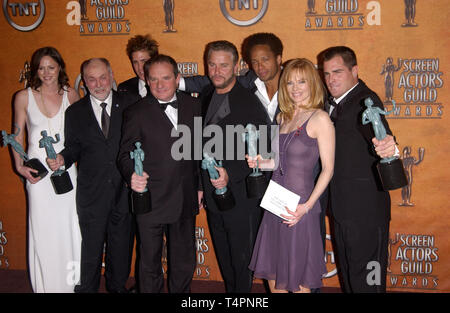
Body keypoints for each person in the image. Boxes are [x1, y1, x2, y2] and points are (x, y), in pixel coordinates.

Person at [247, 58, 335, 293]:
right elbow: (277, 161)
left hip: (299, 208)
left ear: (312, 84)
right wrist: (259, 162)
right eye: (290, 83)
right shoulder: (282, 118)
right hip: (275, 205)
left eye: (302, 82)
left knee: (299, 282)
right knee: (274, 278)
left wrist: (306, 207)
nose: (295, 88)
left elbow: (328, 170)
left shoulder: (320, 119)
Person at [47, 58, 132, 293]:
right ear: (84, 81)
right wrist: (63, 157)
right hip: (92, 194)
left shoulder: (130, 103)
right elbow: (73, 146)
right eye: (91, 79)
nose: (98, 84)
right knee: (91, 252)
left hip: (124, 192)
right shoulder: (75, 112)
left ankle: (117, 288)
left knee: (121, 249)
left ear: (112, 75)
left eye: (103, 77)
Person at [118, 54, 202, 293]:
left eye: (166, 78)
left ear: (177, 78)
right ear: (146, 81)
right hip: (150, 198)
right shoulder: (136, 112)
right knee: (149, 261)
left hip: (185, 196)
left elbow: (198, 152)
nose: (160, 85)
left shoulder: (194, 106)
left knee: (184, 260)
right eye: (153, 80)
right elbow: (124, 155)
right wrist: (130, 175)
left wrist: (200, 187)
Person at [320, 46, 398, 293]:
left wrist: (390, 149)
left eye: (338, 72)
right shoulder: (332, 103)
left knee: (368, 282)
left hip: (366, 213)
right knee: (352, 279)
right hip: (342, 210)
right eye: (327, 73)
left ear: (355, 71)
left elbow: (380, 135)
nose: (331, 79)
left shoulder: (366, 101)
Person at [199, 40, 269, 293]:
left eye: (224, 66)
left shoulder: (249, 102)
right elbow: (199, 143)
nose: (216, 71)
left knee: (242, 260)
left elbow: (264, 151)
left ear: (237, 66)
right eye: (212, 65)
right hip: (212, 191)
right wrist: (200, 186)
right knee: (224, 257)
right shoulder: (206, 95)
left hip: (242, 196)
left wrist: (232, 172)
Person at [10, 46, 81, 292]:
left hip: (66, 170)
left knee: (69, 225)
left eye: (51, 67)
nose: (46, 72)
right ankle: (47, 287)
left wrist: (68, 159)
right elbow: (17, 134)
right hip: (37, 174)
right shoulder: (24, 96)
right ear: (35, 70)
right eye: (41, 67)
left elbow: (81, 135)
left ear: (60, 67)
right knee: (43, 229)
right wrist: (19, 165)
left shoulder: (71, 94)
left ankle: (72, 285)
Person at [118, 34, 159, 104]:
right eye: (135, 62)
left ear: (154, 60)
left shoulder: (167, 86)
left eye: (144, 61)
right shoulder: (124, 89)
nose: (140, 68)